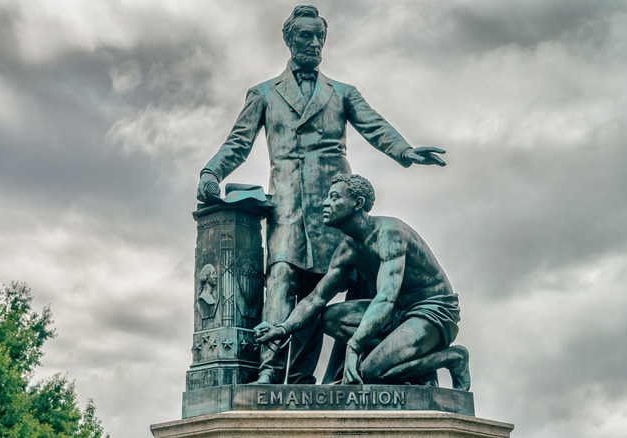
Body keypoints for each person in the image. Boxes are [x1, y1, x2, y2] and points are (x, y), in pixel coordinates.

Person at [197, 5, 446, 385]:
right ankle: (271, 372)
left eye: (319, 37)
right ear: (289, 39)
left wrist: (405, 151)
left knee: (355, 287)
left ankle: (351, 374)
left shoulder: (343, 93)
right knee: (281, 281)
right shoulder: (264, 93)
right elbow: (238, 142)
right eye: (305, 36)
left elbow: (374, 125)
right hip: (289, 210)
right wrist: (212, 171)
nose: (314, 43)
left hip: (339, 210)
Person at [254, 174, 470, 390]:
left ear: (357, 203)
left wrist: (354, 346)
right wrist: (282, 329)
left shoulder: (389, 233)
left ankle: (451, 358)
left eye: (334, 197)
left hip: (432, 312)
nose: (325, 203)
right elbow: (316, 299)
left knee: (369, 373)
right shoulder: (347, 250)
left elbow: (386, 297)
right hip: (397, 313)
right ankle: (406, 358)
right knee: (329, 318)